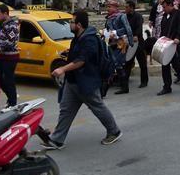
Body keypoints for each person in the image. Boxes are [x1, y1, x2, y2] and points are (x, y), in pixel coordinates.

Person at [44, 10, 122, 149]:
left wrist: (62, 69)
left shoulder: (89, 39)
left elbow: (82, 61)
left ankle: (114, 131)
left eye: (72, 22)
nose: (70, 24)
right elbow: (78, 54)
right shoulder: (78, 37)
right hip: (73, 81)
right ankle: (57, 139)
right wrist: (68, 53)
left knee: (98, 107)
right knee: (66, 110)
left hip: (86, 82)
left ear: (79, 25)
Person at [105, 0, 133, 95]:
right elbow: (108, 30)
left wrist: (116, 33)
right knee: (113, 64)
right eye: (107, 6)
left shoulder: (121, 16)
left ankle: (105, 90)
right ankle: (121, 87)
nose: (107, 8)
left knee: (118, 64)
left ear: (115, 7)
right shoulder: (109, 18)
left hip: (122, 44)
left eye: (109, 6)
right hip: (113, 44)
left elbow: (127, 29)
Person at [0, 4, 20, 107]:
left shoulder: (12, 25)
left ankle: (12, 103)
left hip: (11, 57)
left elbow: (11, 42)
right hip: (2, 56)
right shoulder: (3, 24)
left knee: (9, 80)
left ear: (5, 13)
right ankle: (10, 97)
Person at [124, 1, 148, 89]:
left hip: (138, 42)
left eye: (126, 7)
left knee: (142, 63)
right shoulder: (125, 17)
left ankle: (144, 81)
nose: (125, 9)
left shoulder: (138, 16)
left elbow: (139, 27)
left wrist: (136, 35)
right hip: (129, 43)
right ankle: (124, 82)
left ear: (131, 7)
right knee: (128, 63)